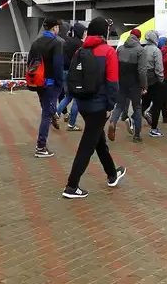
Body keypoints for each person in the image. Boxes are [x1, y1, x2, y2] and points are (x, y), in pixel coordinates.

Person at [62, 17, 126, 199]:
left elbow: (73, 77)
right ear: (104, 32)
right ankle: (71, 186)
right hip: (99, 106)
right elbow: (113, 83)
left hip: (83, 103)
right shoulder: (108, 52)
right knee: (87, 145)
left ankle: (112, 174)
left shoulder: (80, 51)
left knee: (98, 140)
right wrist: (109, 106)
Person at [28, 18, 64, 157]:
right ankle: (41, 147)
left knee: (46, 108)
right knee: (46, 115)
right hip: (50, 83)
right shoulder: (56, 44)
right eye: (58, 27)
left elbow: (30, 61)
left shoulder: (36, 43)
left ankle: (53, 112)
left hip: (38, 82)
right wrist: (60, 83)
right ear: (54, 28)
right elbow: (58, 66)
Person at [111, 29, 143, 142]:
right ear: (139, 38)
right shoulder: (140, 50)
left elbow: (114, 66)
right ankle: (137, 135)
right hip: (134, 83)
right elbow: (142, 70)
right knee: (137, 107)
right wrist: (144, 85)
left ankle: (112, 123)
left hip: (121, 82)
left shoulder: (120, 49)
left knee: (119, 106)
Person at [56, 23, 86, 130]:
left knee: (68, 95)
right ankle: (71, 124)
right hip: (75, 73)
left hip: (63, 71)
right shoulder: (81, 45)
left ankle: (56, 114)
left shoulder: (66, 41)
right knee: (77, 98)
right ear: (80, 32)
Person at [138, 30, 165, 137]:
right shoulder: (156, 51)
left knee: (144, 103)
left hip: (144, 80)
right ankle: (154, 129)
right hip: (154, 80)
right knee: (157, 104)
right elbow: (159, 67)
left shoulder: (142, 49)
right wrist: (161, 79)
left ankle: (133, 121)